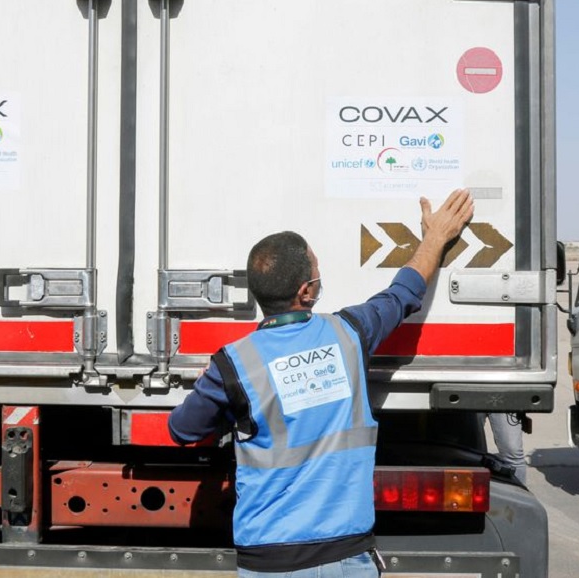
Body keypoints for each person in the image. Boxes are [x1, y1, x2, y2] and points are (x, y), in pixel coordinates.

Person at [168, 188, 474, 577]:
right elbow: (404, 292)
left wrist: (218, 389)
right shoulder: (349, 333)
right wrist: (434, 238)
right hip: (347, 560)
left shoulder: (233, 365)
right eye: (316, 271)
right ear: (306, 292)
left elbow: (181, 430)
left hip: (269, 563)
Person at [483, 412, 527, 484]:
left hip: (507, 403)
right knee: (469, 450)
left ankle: (517, 492)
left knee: (513, 452)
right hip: (469, 401)